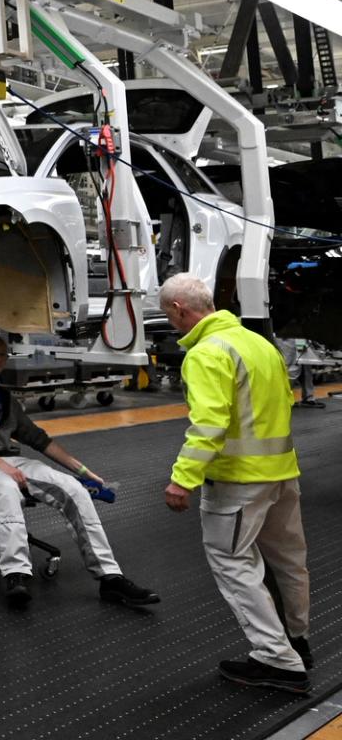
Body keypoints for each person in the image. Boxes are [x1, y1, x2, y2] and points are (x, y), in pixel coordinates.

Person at [159, 275, 311, 694]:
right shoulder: (260, 344)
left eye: (168, 315)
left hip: (238, 481)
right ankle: (296, 639)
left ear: (178, 310)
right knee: (288, 560)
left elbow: (208, 424)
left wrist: (182, 480)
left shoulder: (207, 352)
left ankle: (277, 660)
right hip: (282, 473)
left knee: (232, 563)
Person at [0, 334, 159, 611]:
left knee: (73, 489)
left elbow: (38, 439)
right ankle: (16, 575)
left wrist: (83, 471)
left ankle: (110, 577)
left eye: (2, 355)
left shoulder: (5, 397)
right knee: (5, 487)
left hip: (8, 460)